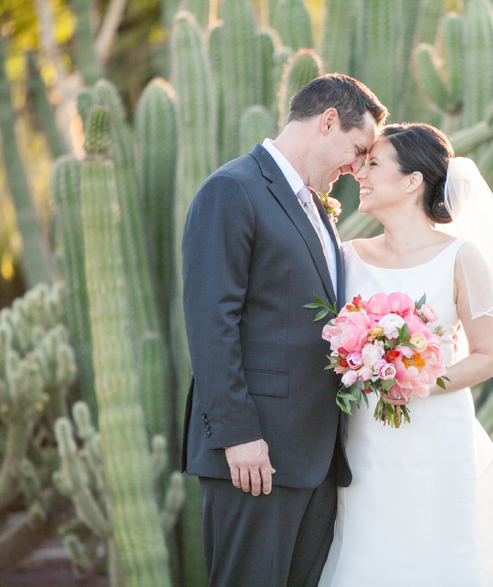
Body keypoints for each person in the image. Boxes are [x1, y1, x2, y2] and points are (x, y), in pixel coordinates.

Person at [317, 124, 493, 586]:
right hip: (366, 439)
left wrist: (420, 382)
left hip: (438, 437)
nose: (360, 174)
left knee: (437, 552)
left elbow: (485, 355)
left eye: (374, 164)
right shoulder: (348, 257)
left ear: (411, 181)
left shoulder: (462, 258)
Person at [180, 74, 388, 587]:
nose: (356, 166)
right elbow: (211, 323)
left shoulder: (317, 208)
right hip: (255, 456)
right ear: (327, 122)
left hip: (313, 458)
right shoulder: (232, 189)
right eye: (357, 149)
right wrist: (238, 436)